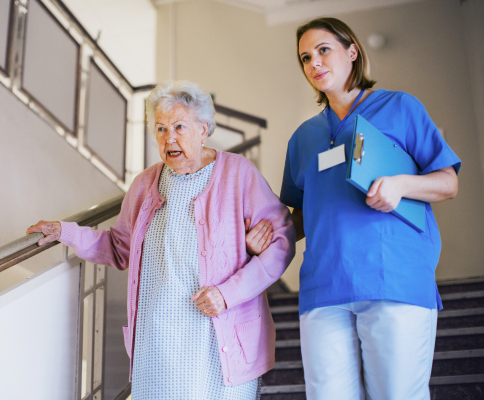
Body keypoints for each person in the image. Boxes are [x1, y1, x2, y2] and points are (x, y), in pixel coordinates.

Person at [27, 81, 296, 400]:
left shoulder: (239, 174)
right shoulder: (144, 185)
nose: (170, 138)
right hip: (158, 344)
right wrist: (66, 232)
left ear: (204, 129)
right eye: (160, 129)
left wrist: (226, 294)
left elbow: (281, 241)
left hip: (218, 339)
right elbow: (118, 247)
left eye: (179, 126)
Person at [250, 17, 461, 400]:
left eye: (323, 50)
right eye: (305, 57)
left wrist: (401, 185)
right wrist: (266, 233)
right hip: (323, 288)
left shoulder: (400, 107)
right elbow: (300, 215)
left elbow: (448, 182)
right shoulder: (303, 138)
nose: (314, 62)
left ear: (352, 52)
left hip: (392, 280)